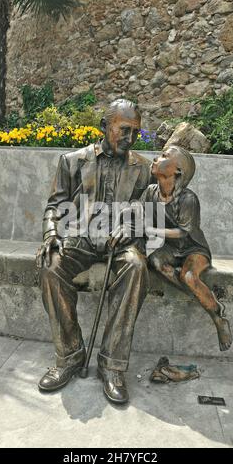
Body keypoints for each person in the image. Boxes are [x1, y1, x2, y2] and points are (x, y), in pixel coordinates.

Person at [36, 99, 151, 405]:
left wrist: (131, 227)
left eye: (136, 133)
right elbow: (54, 206)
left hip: (120, 245)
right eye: (124, 130)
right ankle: (70, 356)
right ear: (104, 126)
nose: (130, 138)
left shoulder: (144, 168)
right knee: (51, 266)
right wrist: (50, 234)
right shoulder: (72, 161)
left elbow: (150, 210)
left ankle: (112, 364)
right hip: (81, 242)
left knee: (137, 267)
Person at [139, 145, 232, 352]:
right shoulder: (150, 192)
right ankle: (200, 295)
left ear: (177, 171)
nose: (156, 159)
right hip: (170, 250)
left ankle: (217, 314)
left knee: (189, 276)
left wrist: (152, 230)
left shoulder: (188, 198)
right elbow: (139, 215)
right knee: (156, 262)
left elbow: (183, 232)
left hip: (193, 249)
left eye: (164, 156)